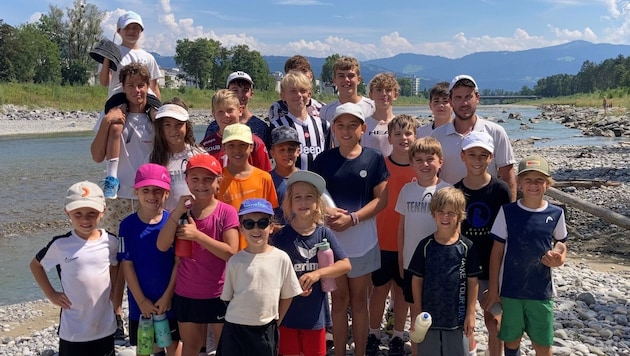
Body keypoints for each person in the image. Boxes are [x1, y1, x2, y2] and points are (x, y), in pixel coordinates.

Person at [311, 102, 389, 356]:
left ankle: (360, 353)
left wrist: (353, 218)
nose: (346, 131)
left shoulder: (374, 158)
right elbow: (314, 198)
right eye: (340, 125)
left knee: (359, 301)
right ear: (333, 128)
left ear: (363, 128)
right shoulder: (322, 161)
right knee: (339, 300)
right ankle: (341, 352)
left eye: (352, 125)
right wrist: (327, 213)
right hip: (331, 244)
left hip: (363, 242)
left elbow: (382, 200)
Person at [91, 62, 156, 339]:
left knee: (148, 257)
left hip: (149, 195)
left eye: (141, 85)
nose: (137, 90)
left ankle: (146, 315)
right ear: (123, 87)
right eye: (131, 85)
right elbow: (96, 155)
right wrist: (106, 121)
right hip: (118, 198)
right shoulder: (114, 115)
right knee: (115, 260)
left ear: (148, 86)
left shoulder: (156, 117)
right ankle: (114, 314)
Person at [156, 154, 240, 356]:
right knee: (191, 348)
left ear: (218, 180)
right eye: (195, 179)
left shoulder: (226, 212)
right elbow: (162, 245)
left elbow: (231, 252)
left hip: (220, 293)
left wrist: (198, 236)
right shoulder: (181, 212)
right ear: (186, 181)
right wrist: (176, 213)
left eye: (208, 179)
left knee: (224, 349)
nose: (201, 184)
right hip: (187, 293)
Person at [485, 155, 568, 356]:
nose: (533, 185)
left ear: (547, 184)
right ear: (520, 183)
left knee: (542, 344)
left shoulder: (556, 213)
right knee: (511, 340)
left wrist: (558, 257)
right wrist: (494, 290)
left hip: (541, 291)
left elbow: (561, 245)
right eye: (528, 180)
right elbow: (496, 253)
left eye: (539, 180)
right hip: (511, 290)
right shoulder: (508, 212)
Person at [30, 181, 119, 356]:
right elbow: (35, 266)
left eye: (91, 213)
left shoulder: (110, 241)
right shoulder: (61, 244)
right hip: (73, 331)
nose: (85, 219)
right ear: (67, 213)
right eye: (78, 214)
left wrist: (115, 291)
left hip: (104, 326)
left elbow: (116, 265)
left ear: (103, 212)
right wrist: (51, 294)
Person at [273, 170, 352, 356]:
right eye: (297, 197)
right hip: (286, 315)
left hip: (316, 316)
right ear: (289, 203)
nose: (303, 202)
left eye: (309, 197)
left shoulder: (324, 233)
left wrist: (318, 274)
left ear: (318, 203)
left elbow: (346, 265)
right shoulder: (281, 236)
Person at [217, 198, 303, 356]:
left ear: (271, 227)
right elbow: (227, 297)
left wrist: (276, 321)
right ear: (241, 228)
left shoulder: (281, 258)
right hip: (235, 328)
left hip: (266, 328)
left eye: (262, 223)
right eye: (249, 224)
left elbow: (288, 294)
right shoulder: (235, 261)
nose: (255, 229)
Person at [452, 131, 512, 356]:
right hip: (463, 268)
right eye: (472, 154)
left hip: (492, 268)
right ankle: (470, 350)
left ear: (491, 157)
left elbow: (506, 235)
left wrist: (496, 285)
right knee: (463, 321)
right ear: (462, 156)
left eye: (482, 155)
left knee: (494, 320)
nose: (477, 160)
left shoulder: (500, 190)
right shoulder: (456, 190)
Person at [407, 187, 482, 356]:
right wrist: (417, 312)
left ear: (460, 216)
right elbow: (416, 279)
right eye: (441, 211)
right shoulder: (425, 245)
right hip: (428, 320)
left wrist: (470, 314)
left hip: (457, 319)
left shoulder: (466, 247)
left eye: (451, 213)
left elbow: (473, 281)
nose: (445, 217)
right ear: (433, 213)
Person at [367, 114, 419, 356]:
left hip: (409, 242)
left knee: (401, 292)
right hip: (381, 238)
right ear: (389, 138)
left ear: (415, 136)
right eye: (397, 134)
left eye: (408, 133)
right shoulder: (380, 164)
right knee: (379, 290)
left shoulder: (421, 168)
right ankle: (373, 332)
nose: (403, 138)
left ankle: (398, 334)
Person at [394, 136, 451, 354]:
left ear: (440, 162)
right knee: (415, 312)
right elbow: (402, 227)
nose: (425, 164)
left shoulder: (447, 190)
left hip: (439, 264)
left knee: (438, 311)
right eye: (419, 160)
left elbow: (454, 230)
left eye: (430, 159)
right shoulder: (407, 191)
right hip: (411, 263)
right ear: (412, 163)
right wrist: (401, 258)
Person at [118, 164, 181, 356]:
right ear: (136, 192)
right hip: (140, 303)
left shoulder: (173, 222)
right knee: (145, 347)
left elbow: (179, 263)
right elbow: (126, 264)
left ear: (167, 193)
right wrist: (141, 300)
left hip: (169, 299)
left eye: (158, 190)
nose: (152, 195)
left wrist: (168, 295)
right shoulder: (127, 225)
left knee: (173, 345)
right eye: (146, 190)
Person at [431, 74, 517, 200]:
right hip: (449, 212)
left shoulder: (496, 132)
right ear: (450, 101)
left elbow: (508, 177)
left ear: (477, 98)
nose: (464, 103)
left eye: (468, 97)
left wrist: (509, 214)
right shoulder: (437, 135)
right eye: (458, 98)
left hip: (489, 209)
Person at [218, 123, 279, 249]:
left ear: (251, 147)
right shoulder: (218, 179)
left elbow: (271, 216)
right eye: (231, 145)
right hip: (228, 250)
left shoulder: (264, 178)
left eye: (242, 145)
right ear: (224, 148)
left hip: (258, 248)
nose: (237, 150)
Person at [150, 97, 205, 211]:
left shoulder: (200, 156)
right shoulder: (151, 160)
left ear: (187, 126)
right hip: (164, 222)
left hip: (194, 220)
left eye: (178, 124)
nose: (173, 130)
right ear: (160, 128)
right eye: (167, 125)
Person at [269, 71, 330, 171]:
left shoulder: (323, 125)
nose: (298, 95)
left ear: (309, 95)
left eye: (302, 91)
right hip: (289, 184)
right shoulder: (277, 126)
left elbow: (328, 156)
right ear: (283, 96)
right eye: (293, 91)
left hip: (318, 184)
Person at [200, 89, 272, 172]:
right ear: (213, 114)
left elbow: (265, 177)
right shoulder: (205, 146)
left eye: (230, 110)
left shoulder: (255, 143)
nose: (226, 115)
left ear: (240, 110)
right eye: (220, 112)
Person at [99, 10, 162, 99]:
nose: (131, 31)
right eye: (127, 28)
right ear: (119, 31)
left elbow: (154, 87)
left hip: (144, 100)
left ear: (141, 31)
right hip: (119, 99)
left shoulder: (148, 58)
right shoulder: (112, 53)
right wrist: (106, 58)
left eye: (136, 28)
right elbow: (104, 82)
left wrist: (159, 108)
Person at [319, 56, 375, 147]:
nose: (346, 80)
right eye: (341, 76)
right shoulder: (326, 111)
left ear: (359, 80)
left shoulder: (373, 107)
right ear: (334, 81)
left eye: (351, 76)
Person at [204, 71, 270, 145]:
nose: (240, 95)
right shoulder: (214, 127)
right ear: (227, 91)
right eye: (235, 90)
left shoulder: (261, 128)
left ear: (251, 93)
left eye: (245, 90)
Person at [268, 55, 325, 123]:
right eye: (295, 73)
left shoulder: (322, 109)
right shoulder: (278, 108)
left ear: (311, 76)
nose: (300, 75)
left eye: (304, 71)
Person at [268, 125, 301, 225]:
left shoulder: (306, 179)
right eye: (281, 150)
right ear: (272, 153)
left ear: (298, 151)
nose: (287, 153)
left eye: (291, 149)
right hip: (277, 236)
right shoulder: (266, 180)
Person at [362, 72, 399, 156]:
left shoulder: (401, 125)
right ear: (371, 95)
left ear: (395, 95)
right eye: (379, 90)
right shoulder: (363, 124)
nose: (384, 94)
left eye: (388, 90)